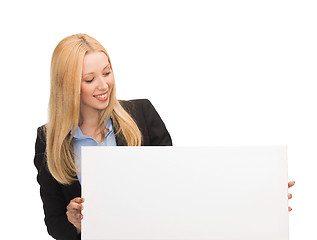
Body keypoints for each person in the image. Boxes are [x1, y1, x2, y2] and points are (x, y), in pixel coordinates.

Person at [34, 33, 294, 240]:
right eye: (89, 79)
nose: (103, 86)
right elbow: (55, 225)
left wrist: (260, 195)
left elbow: (181, 189)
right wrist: (76, 224)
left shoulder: (142, 115)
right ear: (67, 85)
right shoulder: (48, 139)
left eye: (107, 72)